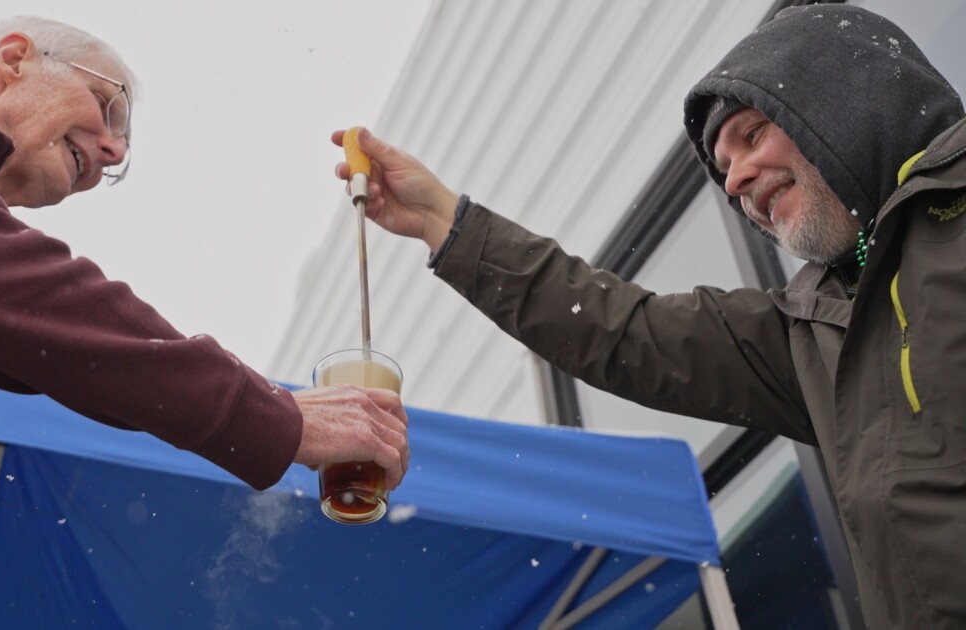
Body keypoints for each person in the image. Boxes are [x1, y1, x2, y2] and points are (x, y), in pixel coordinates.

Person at [0, 16, 409, 629]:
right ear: (15, 59)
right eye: (110, 108)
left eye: (121, 151)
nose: (113, 150)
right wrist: (269, 415)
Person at [334, 5, 964, 628]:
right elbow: (623, 328)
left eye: (752, 135)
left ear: (839, 101)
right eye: (725, 175)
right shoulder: (814, 333)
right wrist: (441, 221)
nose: (738, 180)